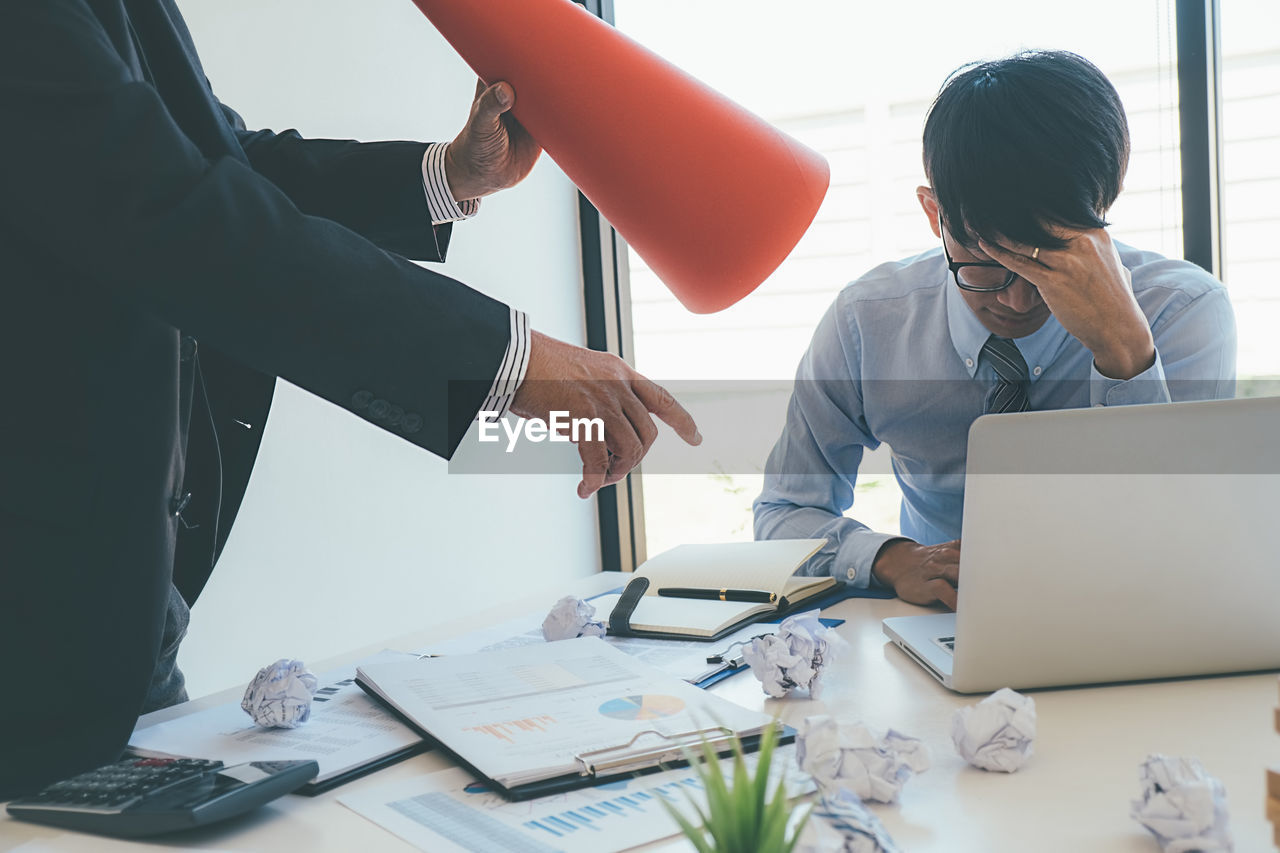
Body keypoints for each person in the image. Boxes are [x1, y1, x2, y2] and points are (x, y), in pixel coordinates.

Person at [0, 0, 699, 797]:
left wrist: (445, 175)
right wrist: (508, 359)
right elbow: (186, 218)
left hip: (117, 610)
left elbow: (222, 163)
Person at [753, 51, 1235, 611]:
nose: (1015, 298)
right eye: (985, 260)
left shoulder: (1181, 310)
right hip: (942, 630)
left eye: (1047, 261)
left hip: (1134, 615)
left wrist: (1124, 351)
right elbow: (783, 510)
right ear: (934, 215)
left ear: (1101, 210)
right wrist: (890, 559)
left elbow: (1188, 540)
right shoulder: (869, 319)